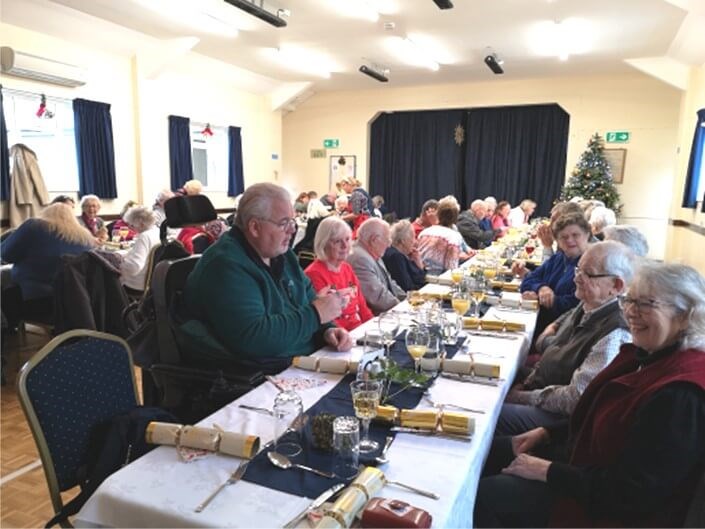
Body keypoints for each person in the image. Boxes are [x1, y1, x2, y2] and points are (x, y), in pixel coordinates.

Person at [475, 261, 705, 528]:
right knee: (486, 450)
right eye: (629, 300)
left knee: (484, 496)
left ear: (687, 315)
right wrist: (549, 432)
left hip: (598, 508)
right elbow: (607, 417)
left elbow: (632, 494)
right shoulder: (650, 356)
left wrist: (547, 471)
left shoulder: (680, 394)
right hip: (579, 465)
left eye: (646, 304)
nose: (631, 312)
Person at [180, 183, 352, 364]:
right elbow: (255, 338)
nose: (292, 230)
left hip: (301, 362)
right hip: (262, 376)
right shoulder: (225, 265)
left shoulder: (282, 255)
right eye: (284, 223)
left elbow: (308, 301)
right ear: (254, 227)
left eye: (292, 222)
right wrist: (317, 315)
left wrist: (327, 330)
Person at [496, 241, 634, 436]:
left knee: (487, 414)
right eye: (578, 270)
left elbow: (575, 398)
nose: (576, 278)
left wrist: (522, 397)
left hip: (559, 421)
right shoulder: (589, 303)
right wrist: (527, 381)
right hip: (541, 389)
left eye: (587, 274)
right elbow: (556, 350)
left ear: (616, 285)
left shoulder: (615, 333)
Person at [1, 203, 95, 326]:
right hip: (78, 301)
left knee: (6, 289)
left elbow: (6, 254)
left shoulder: (34, 226)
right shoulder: (86, 237)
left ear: (45, 215)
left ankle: (10, 332)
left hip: (36, 301)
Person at [516, 213, 592, 338]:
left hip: (561, 333)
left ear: (587, 235)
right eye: (564, 237)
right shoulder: (558, 258)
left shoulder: (590, 265)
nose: (570, 240)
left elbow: (576, 305)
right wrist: (541, 288)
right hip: (540, 323)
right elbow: (529, 279)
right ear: (557, 241)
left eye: (575, 235)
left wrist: (543, 299)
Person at [304, 217, 373, 331]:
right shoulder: (314, 274)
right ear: (324, 243)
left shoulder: (347, 268)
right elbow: (327, 322)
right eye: (337, 241)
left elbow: (362, 307)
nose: (345, 246)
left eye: (347, 239)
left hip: (360, 333)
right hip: (340, 338)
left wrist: (374, 330)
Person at [347, 217, 405, 314]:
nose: (389, 245)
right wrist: (403, 309)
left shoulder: (372, 252)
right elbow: (377, 296)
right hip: (376, 318)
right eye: (387, 240)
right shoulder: (360, 259)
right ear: (374, 240)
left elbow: (390, 283)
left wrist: (408, 300)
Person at [417, 201, 472, 275]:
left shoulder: (424, 233)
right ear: (455, 219)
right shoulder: (454, 237)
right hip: (439, 279)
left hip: (421, 275)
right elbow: (451, 268)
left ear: (438, 214)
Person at [119, 206, 160, 294]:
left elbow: (134, 267)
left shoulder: (144, 236)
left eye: (132, 225)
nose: (130, 228)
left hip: (138, 285)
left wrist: (119, 261)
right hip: (154, 282)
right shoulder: (158, 232)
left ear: (141, 224)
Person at [383, 220, 426, 291]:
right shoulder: (396, 257)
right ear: (403, 240)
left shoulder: (398, 254)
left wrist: (418, 264)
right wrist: (420, 267)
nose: (415, 242)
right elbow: (408, 286)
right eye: (413, 237)